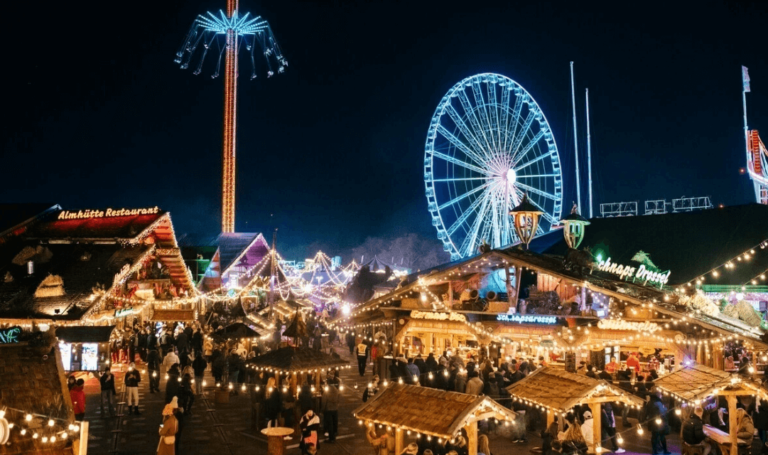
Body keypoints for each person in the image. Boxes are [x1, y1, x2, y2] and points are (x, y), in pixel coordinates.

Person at [648, 390, 670, 455]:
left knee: (654, 436)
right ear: (657, 395)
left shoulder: (649, 402)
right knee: (662, 436)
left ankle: (654, 451)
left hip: (652, 421)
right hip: (659, 422)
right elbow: (662, 412)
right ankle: (665, 450)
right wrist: (666, 409)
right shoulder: (658, 402)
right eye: (660, 394)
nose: (661, 395)